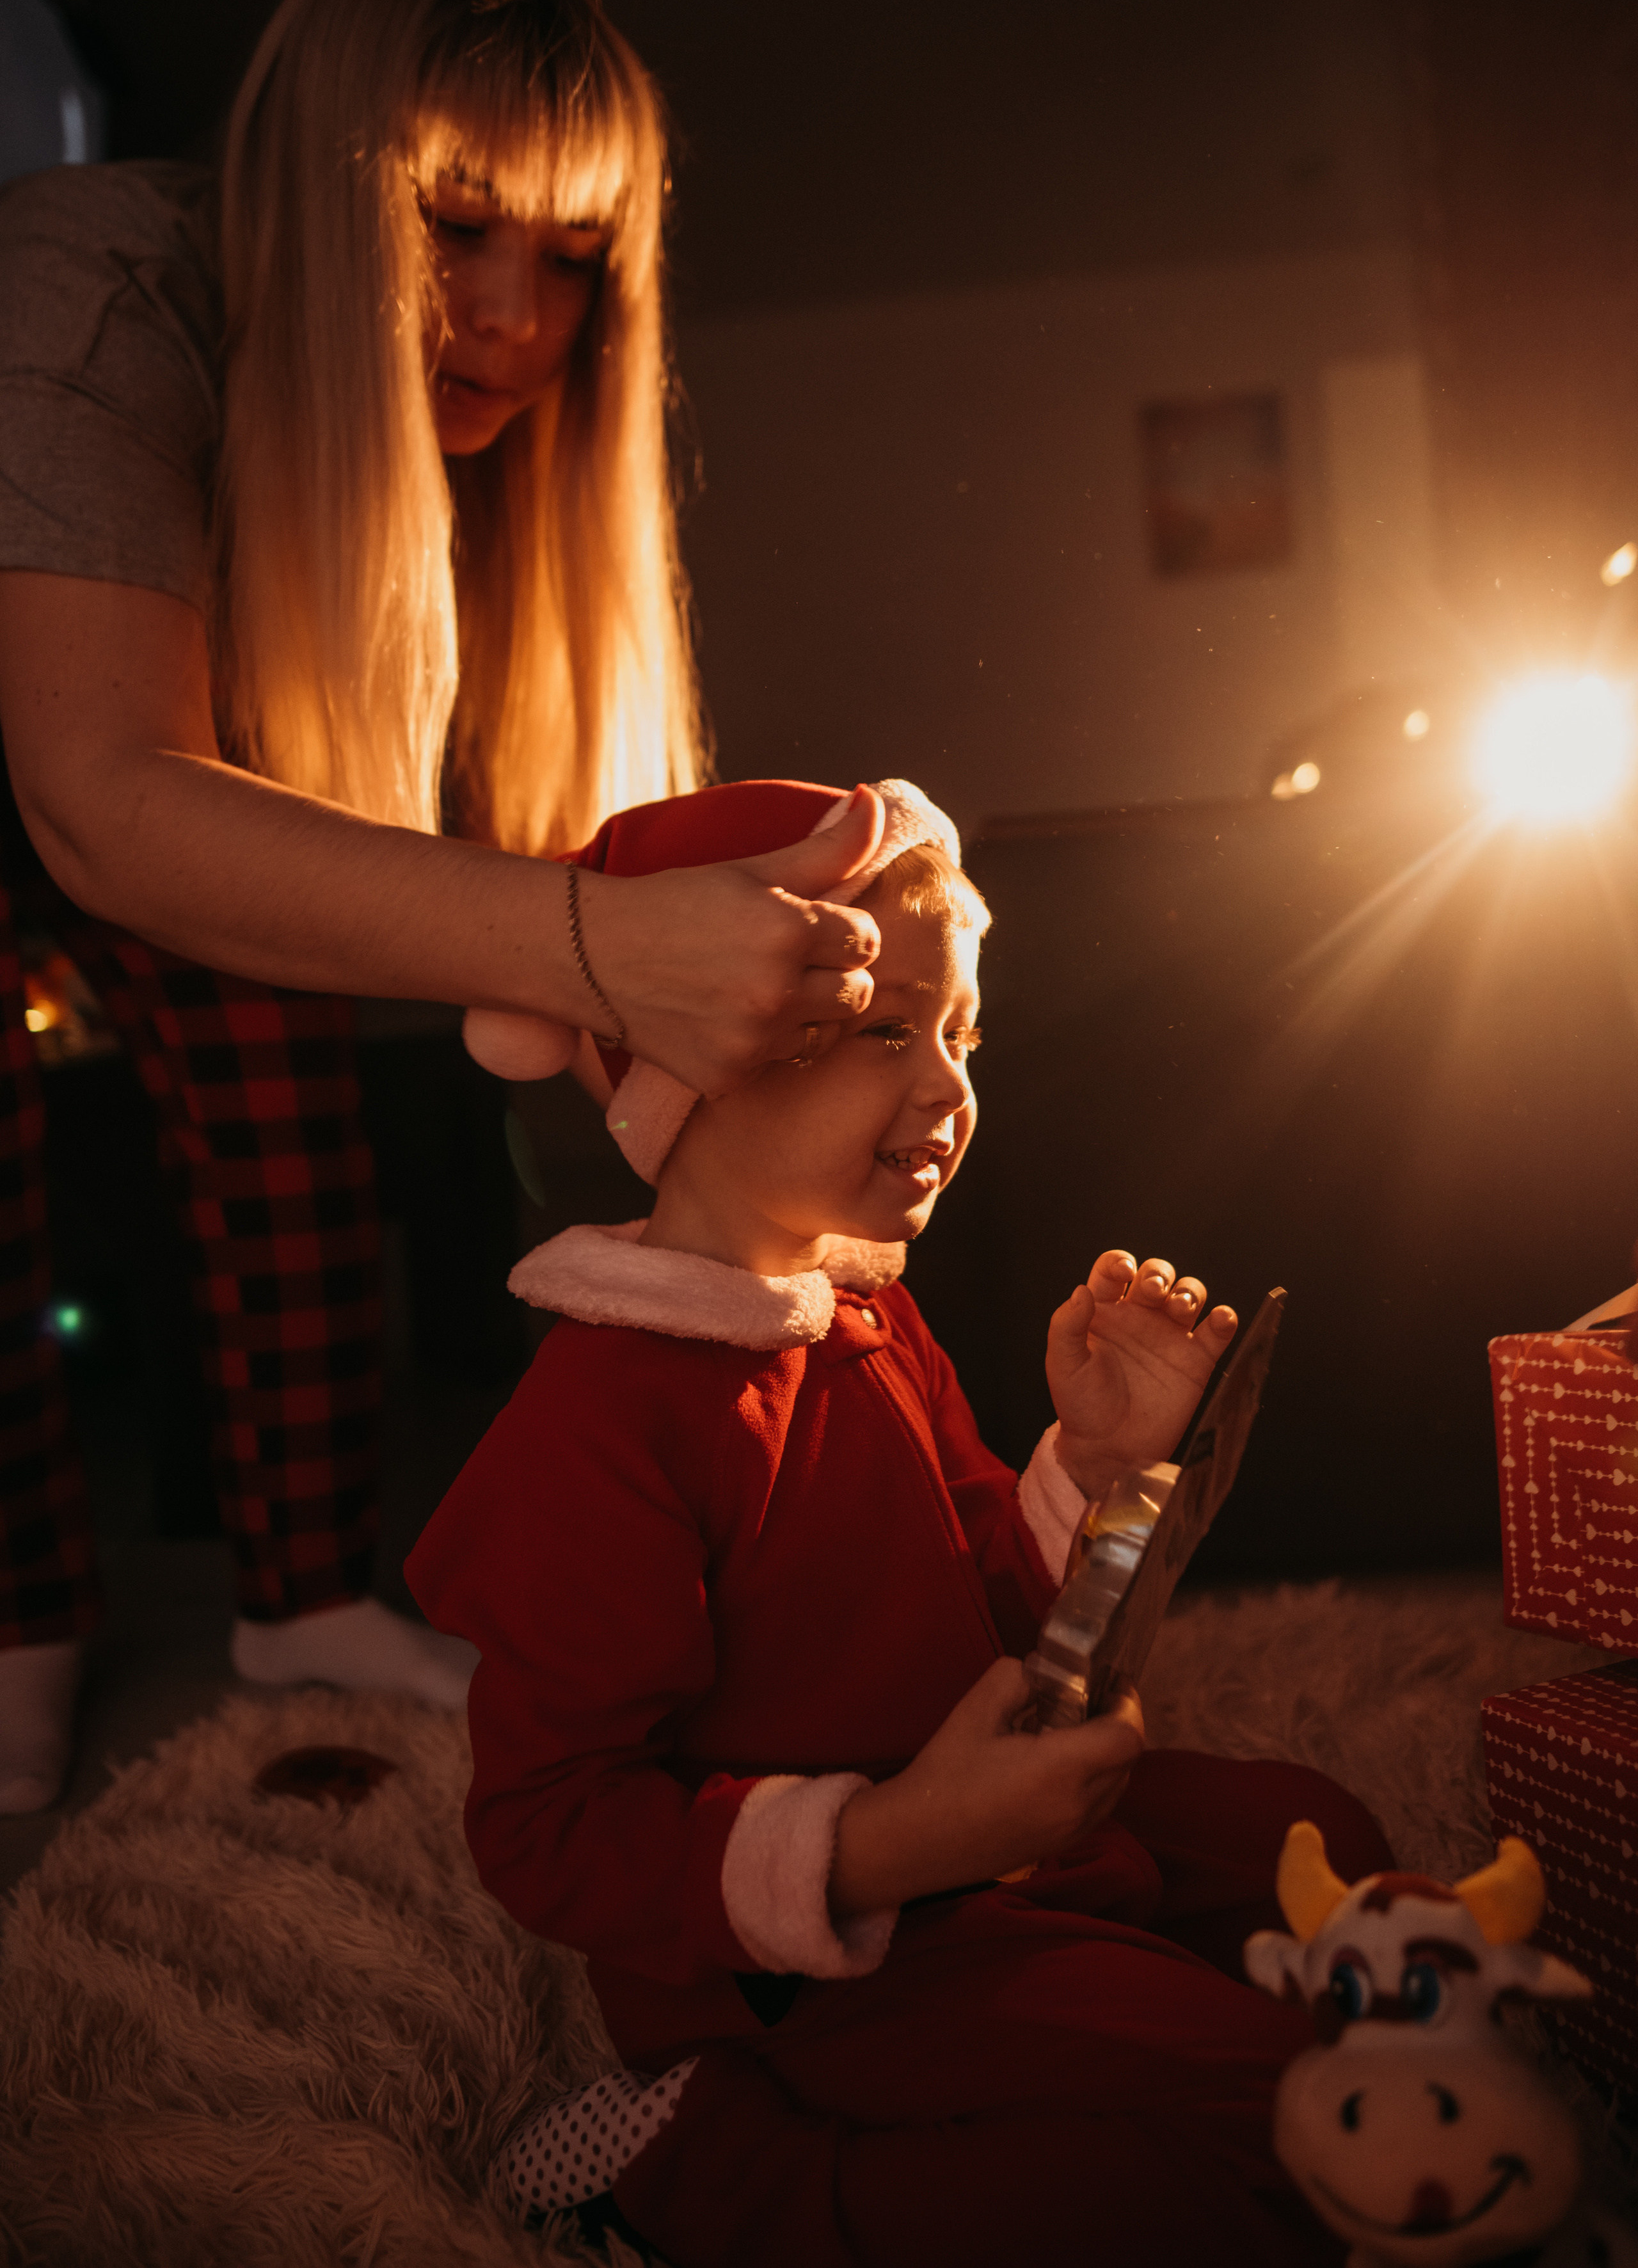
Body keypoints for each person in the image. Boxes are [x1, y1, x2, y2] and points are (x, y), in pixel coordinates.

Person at [0, 0, 888, 1816]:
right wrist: (589, 943)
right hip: (64, 752)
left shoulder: (438, 452)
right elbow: (92, 797)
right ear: (325, 201)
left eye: (574, 262)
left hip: (153, 775)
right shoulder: (87, 297)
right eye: (453, 228)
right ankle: (17, 1614)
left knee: (281, 1113)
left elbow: (356, 875)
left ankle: (305, 1591)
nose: (517, 317)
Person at [406, 776, 1393, 2268]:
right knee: (1288, 2130)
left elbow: (1015, 1620)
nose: (944, 1088)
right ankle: (709, 2165)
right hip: (809, 1954)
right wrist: (880, 1844)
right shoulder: (599, 1426)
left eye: (959, 1037)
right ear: (686, 1055)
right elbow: (547, 1833)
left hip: (974, 1849)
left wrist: (1103, 1468)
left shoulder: (862, 1314)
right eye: (885, 1031)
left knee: (1330, 1849)